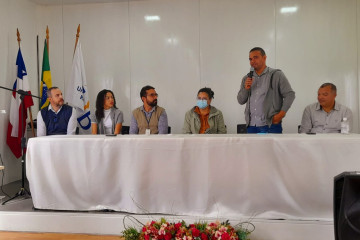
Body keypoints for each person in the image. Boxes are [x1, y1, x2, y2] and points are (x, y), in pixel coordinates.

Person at [237, 47, 295, 133]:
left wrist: (280, 115)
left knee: (270, 147)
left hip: (270, 125)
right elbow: (241, 101)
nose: (252, 61)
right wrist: (246, 88)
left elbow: (290, 94)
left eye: (255, 57)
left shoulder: (276, 74)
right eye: (250, 59)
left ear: (264, 58)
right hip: (251, 126)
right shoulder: (246, 78)